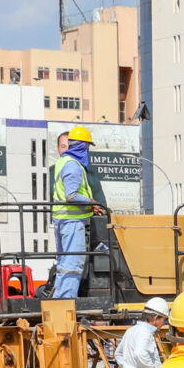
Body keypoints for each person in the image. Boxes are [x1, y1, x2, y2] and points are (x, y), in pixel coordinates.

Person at [49, 126, 102, 301]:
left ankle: (59, 298)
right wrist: (91, 202)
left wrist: (89, 205)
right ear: (82, 146)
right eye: (87, 146)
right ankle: (65, 301)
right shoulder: (72, 165)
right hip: (71, 221)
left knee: (65, 263)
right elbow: (71, 195)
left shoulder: (63, 162)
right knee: (73, 263)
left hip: (64, 219)